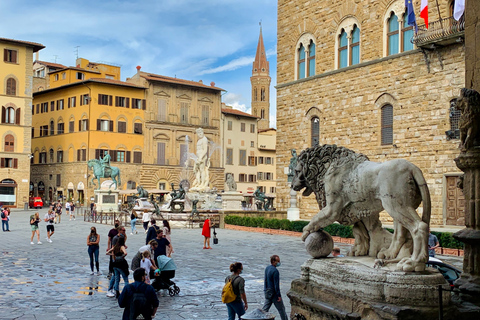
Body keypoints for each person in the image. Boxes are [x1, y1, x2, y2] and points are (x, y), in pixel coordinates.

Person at [262, 255, 288, 320]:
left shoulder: (267, 268)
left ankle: (259, 318)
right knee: (281, 309)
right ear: (273, 261)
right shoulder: (275, 271)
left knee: (265, 309)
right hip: (274, 294)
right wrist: (278, 295)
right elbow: (276, 285)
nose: (279, 262)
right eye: (278, 261)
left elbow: (266, 280)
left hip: (267, 291)